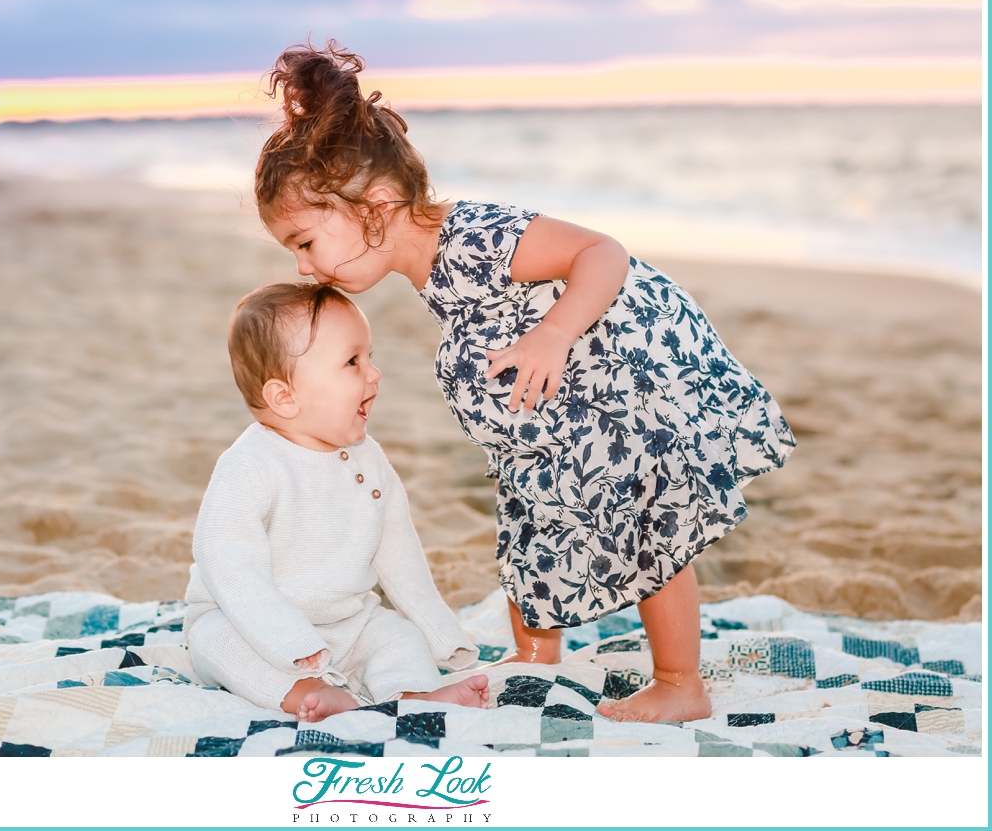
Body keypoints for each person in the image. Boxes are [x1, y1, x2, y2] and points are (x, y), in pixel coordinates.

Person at [252, 40, 796, 723]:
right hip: (560, 408)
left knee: (650, 520)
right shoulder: (431, 265)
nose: (305, 266)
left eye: (304, 242)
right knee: (529, 508)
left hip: (622, 376)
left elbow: (602, 251)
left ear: (376, 208)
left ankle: (680, 681)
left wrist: (554, 334)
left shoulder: (477, 235)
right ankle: (537, 650)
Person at [183, 282, 490, 722]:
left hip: (349, 622)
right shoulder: (251, 464)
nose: (374, 373)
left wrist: (440, 633)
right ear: (285, 397)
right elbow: (228, 565)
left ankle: (410, 695)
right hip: (248, 623)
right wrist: (292, 642)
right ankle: (303, 691)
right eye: (352, 361)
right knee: (216, 643)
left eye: (369, 356)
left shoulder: (370, 461)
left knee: (397, 639)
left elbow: (397, 552)